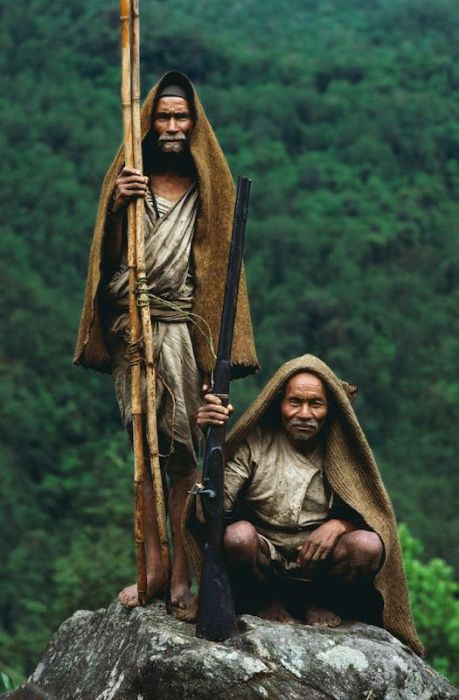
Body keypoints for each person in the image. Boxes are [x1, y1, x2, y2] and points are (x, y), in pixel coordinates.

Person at [74, 71, 259, 609]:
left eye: (181, 118)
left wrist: (211, 365)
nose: (173, 126)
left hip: (182, 333)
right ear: (149, 123)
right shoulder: (128, 182)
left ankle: (182, 574)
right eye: (164, 117)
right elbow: (105, 264)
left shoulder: (208, 189)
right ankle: (151, 568)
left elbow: (218, 280)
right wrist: (116, 203)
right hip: (135, 331)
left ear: (194, 125)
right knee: (142, 449)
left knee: (183, 456)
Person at [189, 353, 423, 654]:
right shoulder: (256, 442)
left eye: (315, 404)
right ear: (279, 403)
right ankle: (266, 601)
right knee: (238, 537)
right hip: (265, 558)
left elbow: (374, 517)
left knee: (367, 546)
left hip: (318, 565)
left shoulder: (341, 449)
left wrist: (339, 525)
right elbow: (212, 510)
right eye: (294, 402)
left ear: (329, 409)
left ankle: (320, 602)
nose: (304, 413)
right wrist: (209, 441)